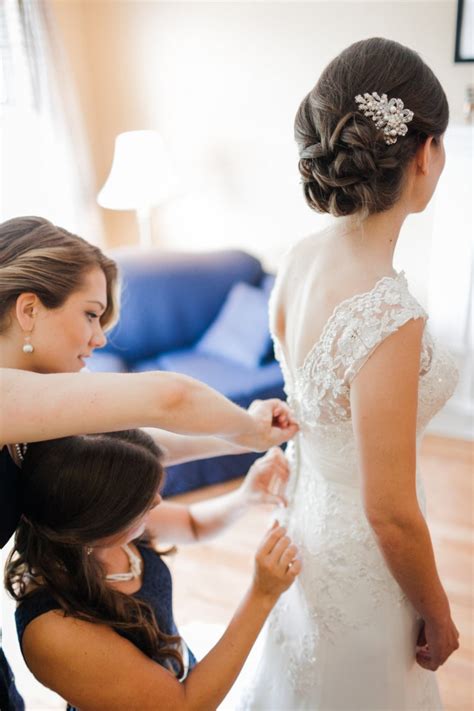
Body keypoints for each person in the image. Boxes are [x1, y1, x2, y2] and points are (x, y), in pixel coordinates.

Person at [239, 37, 459, 710]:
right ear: (423, 153)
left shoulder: (298, 258)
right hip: (365, 562)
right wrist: (441, 613)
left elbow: (305, 398)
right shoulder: (387, 312)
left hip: (307, 528)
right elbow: (390, 510)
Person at [0, 215, 297, 709]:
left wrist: (245, 438)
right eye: (91, 315)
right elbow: (170, 396)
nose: (98, 339)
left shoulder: (28, 413)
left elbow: (131, 446)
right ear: (29, 309)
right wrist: (248, 428)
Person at [5, 429, 300, 710]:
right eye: (144, 502)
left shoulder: (107, 530)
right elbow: (185, 705)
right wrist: (262, 593)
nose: (157, 501)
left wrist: (245, 496)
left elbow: (191, 524)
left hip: (182, 672)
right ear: (97, 523)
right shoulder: (54, 631)